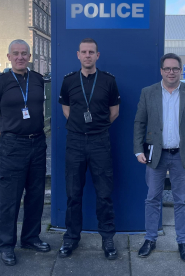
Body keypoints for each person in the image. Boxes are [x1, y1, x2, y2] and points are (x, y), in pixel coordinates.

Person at [133, 53, 185, 262]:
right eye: (167, 69)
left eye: (175, 68)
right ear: (161, 71)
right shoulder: (149, 93)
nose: (171, 72)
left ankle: (183, 242)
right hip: (156, 155)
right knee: (152, 198)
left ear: (180, 70)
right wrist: (139, 150)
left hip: (181, 155)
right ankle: (150, 239)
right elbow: (139, 122)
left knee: (182, 200)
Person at [0, 39, 50, 266]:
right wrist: (6, 136)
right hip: (13, 147)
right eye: (16, 53)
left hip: (38, 144)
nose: (20, 57)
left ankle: (30, 238)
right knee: (9, 199)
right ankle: (6, 245)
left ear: (29, 56)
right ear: (9, 56)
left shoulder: (39, 80)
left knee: (35, 195)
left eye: (24, 53)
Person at [58, 38, 120, 260]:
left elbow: (114, 112)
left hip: (99, 141)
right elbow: (66, 108)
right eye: (83, 52)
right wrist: (80, 125)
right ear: (78, 55)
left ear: (97, 55)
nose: (87, 55)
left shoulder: (108, 81)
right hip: (74, 141)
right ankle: (71, 238)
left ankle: (108, 238)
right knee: (73, 193)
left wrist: (96, 128)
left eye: (91, 52)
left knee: (104, 193)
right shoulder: (68, 81)